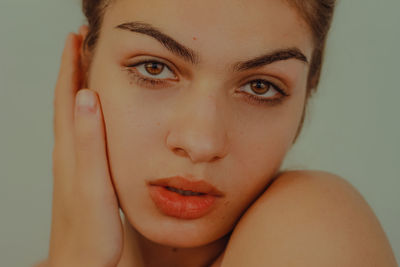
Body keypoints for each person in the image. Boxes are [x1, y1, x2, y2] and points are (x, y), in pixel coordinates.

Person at [35, 0, 397, 266]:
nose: (200, 143)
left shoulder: (316, 230)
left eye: (260, 87)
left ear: (306, 96)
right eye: (155, 68)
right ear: (82, 73)